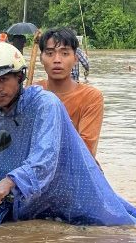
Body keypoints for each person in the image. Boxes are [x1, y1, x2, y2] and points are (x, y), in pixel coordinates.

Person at [0, 41, 136, 226]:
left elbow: (45, 158)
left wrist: (9, 182)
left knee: (114, 231)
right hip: (31, 207)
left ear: (19, 76)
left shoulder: (45, 104)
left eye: (3, 79)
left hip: (74, 200)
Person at [36, 27, 103, 157]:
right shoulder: (33, 93)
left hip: (76, 168)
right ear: (41, 58)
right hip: (35, 169)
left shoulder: (91, 97)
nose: (57, 60)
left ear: (75, 58)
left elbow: (86, 149)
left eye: (65, 53)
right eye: (50, 53)